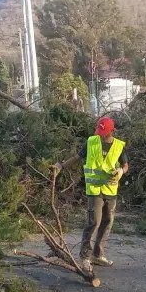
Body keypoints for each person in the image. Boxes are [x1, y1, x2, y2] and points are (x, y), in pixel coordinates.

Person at [52, 116, 129, 273]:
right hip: (95, 191)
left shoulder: (119, 146)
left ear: (111, 131)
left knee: (107, 222)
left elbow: (125, 165)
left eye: (104, 132)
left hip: (110, 190)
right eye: (100, 131)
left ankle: (98, 255)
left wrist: (121, 171)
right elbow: (77, 158)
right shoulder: (91, 142)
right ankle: (85, 257)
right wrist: (61, 166)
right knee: (94, 222)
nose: (101, 134)